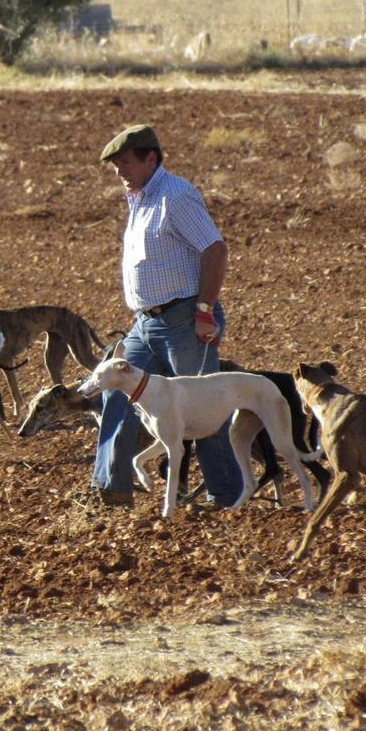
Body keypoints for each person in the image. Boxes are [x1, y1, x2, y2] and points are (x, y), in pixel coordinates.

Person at [91, 123, 243, 507]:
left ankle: (226, 495)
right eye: (114, 165)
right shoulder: (140, 198)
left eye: (125, 162)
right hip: (145, 324)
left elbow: (215, 250)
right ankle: (112, 489)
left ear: (151, 158)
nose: (118, 171)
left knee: (203, 406)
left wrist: (205, 311)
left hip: (183, 320)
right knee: (114, 391)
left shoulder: (175, 196)